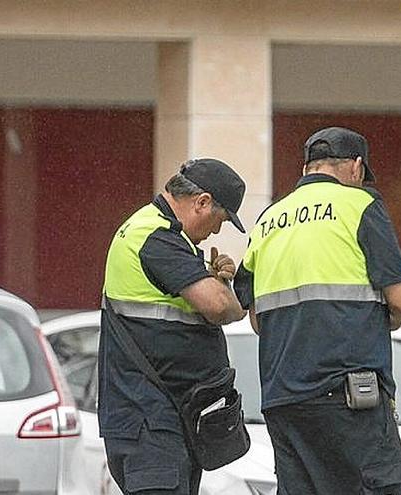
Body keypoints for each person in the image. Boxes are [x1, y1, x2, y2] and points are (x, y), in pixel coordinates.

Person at [233, 126, 401, 494]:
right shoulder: (360, 204)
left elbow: (256, 318)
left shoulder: (269, 219)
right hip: (348, 397)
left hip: (283, 398)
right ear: (356, 167)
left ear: (307, 169)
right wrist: (379, 321)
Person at [99, 158, 247, 495]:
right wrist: (228, 291)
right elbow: (220, 307)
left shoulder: (160, 234)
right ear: (202, 202)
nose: (216, 231)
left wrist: (213, 277)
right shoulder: (156, 237)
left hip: (157, 419)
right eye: (220, 220)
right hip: (150, 421)